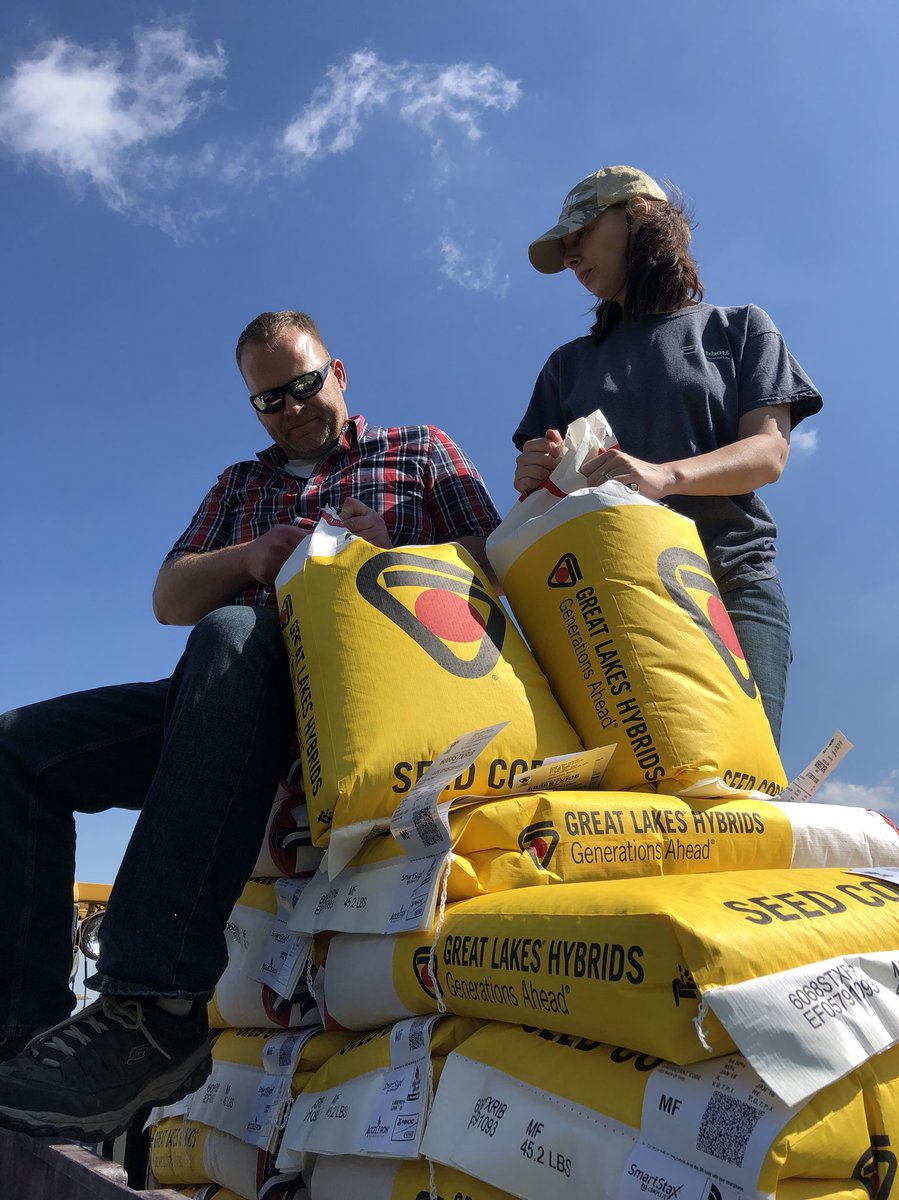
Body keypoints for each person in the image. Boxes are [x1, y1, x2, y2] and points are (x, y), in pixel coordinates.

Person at [0, 310, 500, 1141]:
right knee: (20, 747)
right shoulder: (241, 485)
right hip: (225, 700)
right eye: (271, 400)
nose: (293, 407)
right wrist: (249, 557)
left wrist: (397, 558)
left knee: (232, 631)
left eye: (305, 385)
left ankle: (154, 1005)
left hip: (366, 691)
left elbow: (494, 563)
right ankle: (25, 1033)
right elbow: (169, 598)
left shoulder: (417, 449)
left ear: (338, 372)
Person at [514, 165, 822, 746]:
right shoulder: (565, 366)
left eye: (580, 234)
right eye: (565, 249)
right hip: (608, 603)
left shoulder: (741, 330)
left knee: (741, 786)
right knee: (635, 802)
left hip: (731, 584)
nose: (572, 258)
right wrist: (536, 471)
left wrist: (664, 475)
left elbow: (768, 452)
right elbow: (543, 497)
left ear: (638, 214)